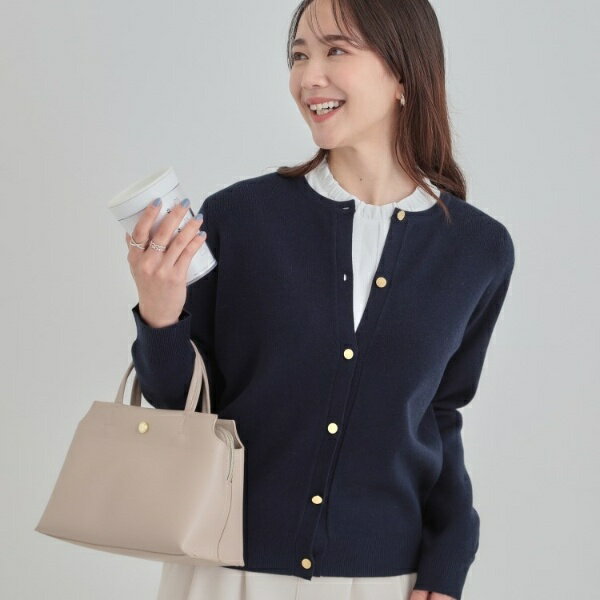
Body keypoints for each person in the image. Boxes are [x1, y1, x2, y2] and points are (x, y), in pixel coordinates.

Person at [126, 0, 515, 599]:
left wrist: (448, 562)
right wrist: (160, 312)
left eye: (336, 50)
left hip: (381, 580)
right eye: (299, 55)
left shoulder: (476, 250)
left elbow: (440, 415)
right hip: (228, 573)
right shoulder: (240, 217)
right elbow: (182, 405)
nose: (309, 77)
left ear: (404, 74)